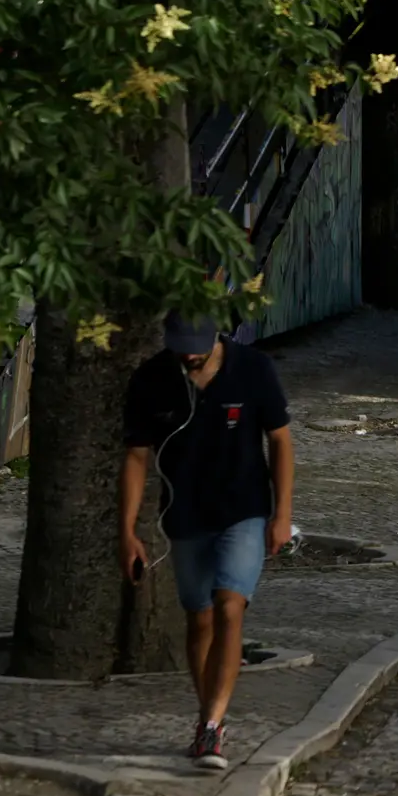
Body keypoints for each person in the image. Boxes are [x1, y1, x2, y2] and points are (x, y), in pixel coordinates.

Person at [120, 314, 293, 770]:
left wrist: (282, 514)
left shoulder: (253, 369)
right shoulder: (152, 379)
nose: (190, 355)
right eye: (181, 347)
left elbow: (280, 440)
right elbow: (136, 457)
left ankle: (214, 726)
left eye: (197, 346)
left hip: (244, 511)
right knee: (198, 619)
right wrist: (128, 531)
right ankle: (207, 719)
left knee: (230, 604)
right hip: (185, 515)